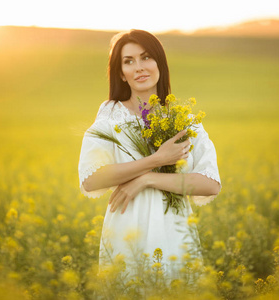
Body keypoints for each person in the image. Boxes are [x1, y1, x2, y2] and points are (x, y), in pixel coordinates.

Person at [78, 29, 221, 275]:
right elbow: (91, 178)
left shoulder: (185, 120)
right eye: (128, 61)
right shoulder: (111, 116)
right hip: (127, 229)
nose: (139, 67)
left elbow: (210, 184)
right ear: (121, 74)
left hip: (175, 231)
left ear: (159, 63)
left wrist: (147, 179)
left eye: (146, 58)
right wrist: (157, 159)